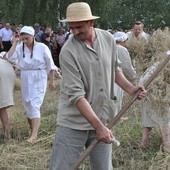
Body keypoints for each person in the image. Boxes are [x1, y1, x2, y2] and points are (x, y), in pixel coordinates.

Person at [49, 2, 146, 170]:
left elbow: (114, 69)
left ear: (91, 23)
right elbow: (77, 96)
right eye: (72, 28)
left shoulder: (107, 38)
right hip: (73, 123)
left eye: (79, 27)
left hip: (102, 116)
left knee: (103, 168)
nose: (75, 32)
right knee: (61, 167)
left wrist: (130, 89)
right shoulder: (68, 52)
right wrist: (99, 128)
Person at [7, 26, 57, 143]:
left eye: (27, 39)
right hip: (25, 76)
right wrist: (15, 42)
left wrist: (52, 80)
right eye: (22, 39)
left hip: (39, 76)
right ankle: (32, 130)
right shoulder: (20, 48)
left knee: (35, 104)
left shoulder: (42, 47)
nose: (24, 41)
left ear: (32, 36)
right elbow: (8, 57)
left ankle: (34, 135)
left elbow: (50, 64)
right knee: (28, 104)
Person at [139, 52, 170, 152]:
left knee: (148, 121)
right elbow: (144, 82)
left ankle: (144, 145)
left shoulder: (157, 64)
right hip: (157, 97)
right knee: (165, 121)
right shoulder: (162, 67)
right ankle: (167, 147)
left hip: (151, 96)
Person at [113, 31, 137, 113]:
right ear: (124, 40)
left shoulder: (110, 46)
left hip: (110, 76)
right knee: (117, 98)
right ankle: (116, 116)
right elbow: (126, 66)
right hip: (119, 77)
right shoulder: (122, 49)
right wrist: (133, 75)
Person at [0, 51, 16, 139]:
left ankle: (7, 133)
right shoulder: (4, 62)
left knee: (1, 107)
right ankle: (7, 133)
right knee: (2, 107)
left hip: (3, 73)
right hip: (6, 71)